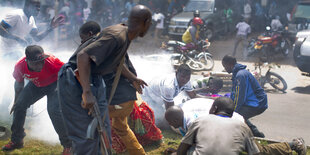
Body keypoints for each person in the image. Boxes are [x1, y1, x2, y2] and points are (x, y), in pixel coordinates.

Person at [57, 5, 152, 154]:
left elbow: (115, 62)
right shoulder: (117, 36)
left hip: (94, 78)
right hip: (75, 79)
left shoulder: (125, 34)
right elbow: (83, 56)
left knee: (103, 131)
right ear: (146, 23)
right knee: (86, 135)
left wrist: (133, 78)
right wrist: (87, 92)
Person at [166, 97, 307, 155]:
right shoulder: (197, 117)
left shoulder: (198, 121)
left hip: (235, 126)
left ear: (214, 109)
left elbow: (183, 151)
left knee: (262, 149)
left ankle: (294, 144)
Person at [1, 45, 72, 154]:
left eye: (41, 62)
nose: (40, 65)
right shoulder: (20, 66)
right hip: (37, 86)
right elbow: (19, 83)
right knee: (19, 106)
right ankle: (17, 140)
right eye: (35, 63)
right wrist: (16, 100)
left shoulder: (53, 62)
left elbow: (69, 74)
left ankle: (68, 145)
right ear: (27, 60)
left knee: (53, 110)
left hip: (55, 84)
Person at [222, 55, 267, 138]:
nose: (225, 69)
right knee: (240, 116)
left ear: (230, 64)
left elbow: (240, 96)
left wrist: (234, 110)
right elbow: (235, 93)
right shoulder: (238, 73)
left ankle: (253, 135)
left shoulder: (240, 75)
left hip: (257, 103)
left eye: (225, 66)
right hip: (251, 101)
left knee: (236, 116)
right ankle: (256, 133)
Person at [165, 98, 244, 136]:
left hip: (236, 123)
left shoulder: (193, 123)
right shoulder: (183, 118)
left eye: (170, 121)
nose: (168, 123)